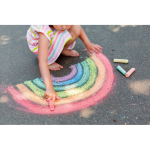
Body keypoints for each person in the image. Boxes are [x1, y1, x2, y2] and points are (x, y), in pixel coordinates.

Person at [26, 25, 102, 102]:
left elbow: (78, 28)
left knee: (75, 28)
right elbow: (42, 61)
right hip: (40, 47)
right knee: (45, 57)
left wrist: (88, 43)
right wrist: (49, 88)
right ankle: (49, 61)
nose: (64, 26)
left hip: (51, 35)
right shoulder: (44, 31)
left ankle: (64, 50)